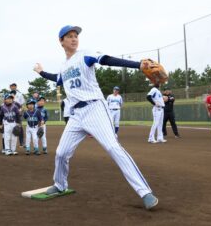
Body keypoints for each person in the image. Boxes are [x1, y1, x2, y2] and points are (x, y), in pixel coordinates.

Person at [34, 25, 158, 210]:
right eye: (69, 36)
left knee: (113, 148)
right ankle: (60, 185)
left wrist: (138, 65)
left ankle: (145, 192)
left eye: (76, 35)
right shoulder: (64, 66)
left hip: (95, 109)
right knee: (61, 153)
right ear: (61, 42)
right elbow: (57, 78)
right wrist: (41, 72)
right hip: (76, 115)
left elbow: (106, 60)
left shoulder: (85, 54)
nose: (74, 38)